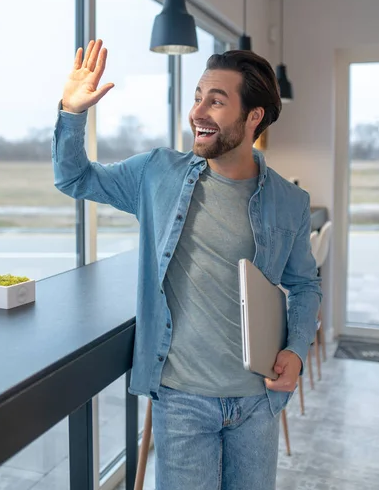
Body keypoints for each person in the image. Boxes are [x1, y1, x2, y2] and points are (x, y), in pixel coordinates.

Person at [53, 39, 321, 490]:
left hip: (258, 401)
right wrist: (71, 112)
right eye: (198, 97)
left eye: (216, 101)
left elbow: (305, 286)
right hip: (183, 400)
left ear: (253, 116)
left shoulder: (289, 202)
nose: (198, 111)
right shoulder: (158, 173)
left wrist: (295, 350)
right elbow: (74, 177)